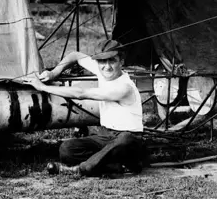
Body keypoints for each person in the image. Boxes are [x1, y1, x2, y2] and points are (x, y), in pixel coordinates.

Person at [23, 39, 147, 177]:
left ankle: (81, 169)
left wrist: (43, 87)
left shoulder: (124, 87)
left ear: (121, 61)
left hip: (129, 141)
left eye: (112, 60)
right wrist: (54, 73)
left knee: (125, 139)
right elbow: (75, 55)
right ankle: (116, 166)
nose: (107, 66)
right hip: (106, 136)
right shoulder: (103, 71)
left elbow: (81, 93)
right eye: (101, 61)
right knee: (67, 149)